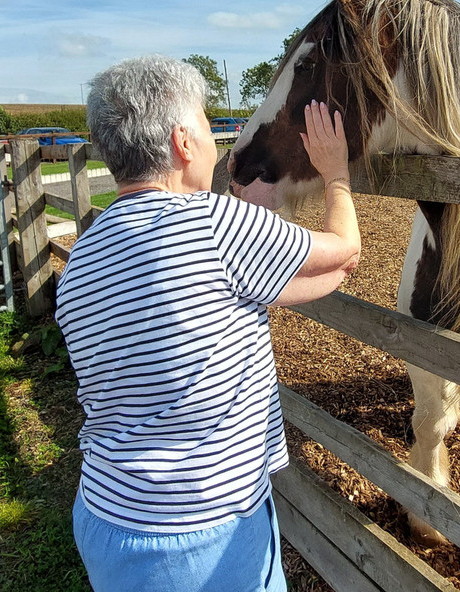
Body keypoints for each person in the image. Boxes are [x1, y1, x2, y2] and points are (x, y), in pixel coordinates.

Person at [55, 55, 360, 592]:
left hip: (106, 518)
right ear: (182, 142)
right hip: (203, 536)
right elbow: (344, 255)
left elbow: (231, 292)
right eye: (204, 121)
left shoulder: (87, 250)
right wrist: (337, 174)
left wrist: (257, 223)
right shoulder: (215, 226)